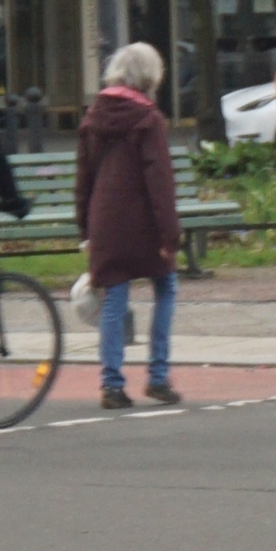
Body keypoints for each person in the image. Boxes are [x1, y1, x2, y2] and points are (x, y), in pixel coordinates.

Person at [75, 42, 180, 410]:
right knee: (166, 286)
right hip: (143, 224)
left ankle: (112, 384)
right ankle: (158, 376)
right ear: (149, 78)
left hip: (106, 222)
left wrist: (84, 227)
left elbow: (83, 177)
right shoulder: (148, 120)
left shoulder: (93, 118)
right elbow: (159, 181)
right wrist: (170, 234)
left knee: (114, 299)